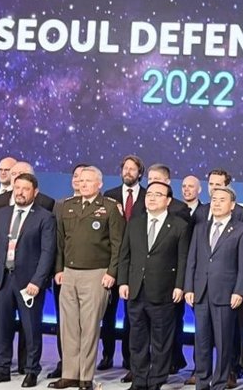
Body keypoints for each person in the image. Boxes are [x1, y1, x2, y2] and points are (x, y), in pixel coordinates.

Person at [49, 166, 124, 390]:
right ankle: (69, 374)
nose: (83, 184)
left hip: (97, 273)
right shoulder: (66, 206)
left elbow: (118, 244)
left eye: (88, 181)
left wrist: (112, 272)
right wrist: (58, 269)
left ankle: (85, 377)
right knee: (69, 327)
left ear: (99, 184)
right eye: (80, 180)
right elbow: (60, 241)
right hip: (69, 273)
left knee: (90, 327)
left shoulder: (110, 207)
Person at [117, 181, 191, 390]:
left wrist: (180, 286)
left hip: (164, 291)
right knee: (137, 340)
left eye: (158, 194)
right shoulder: (135, 223)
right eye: (149, 194)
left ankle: (156, 380)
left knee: (161, 341)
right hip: (135, 290)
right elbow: (125, 255)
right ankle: (139, 380)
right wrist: (123, 281)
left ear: (168, 201)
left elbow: (183, 259)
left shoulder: (179, 226)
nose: (151, 198)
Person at [184, 187, 243, 390]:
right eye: (214, 199)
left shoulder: (241, 230)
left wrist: (239, 291)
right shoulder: (200, 228)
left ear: (232, 205)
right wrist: (189, 287)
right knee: (201, 342)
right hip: (201, 293)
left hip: (226, 294)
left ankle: (220, 383)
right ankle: (202, 383)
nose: (217, 203)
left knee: (223, 344)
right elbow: (192, 260)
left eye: (222, 200)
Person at [0, 174, 56, 387]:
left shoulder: (45, 217)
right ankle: (2, 368)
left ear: (35, 192)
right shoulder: (0, 214)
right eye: (17, 188)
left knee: (31, 329)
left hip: (29, 283)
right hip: (2, 280)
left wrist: (37, 281)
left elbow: (48, 252)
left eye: (25, 189)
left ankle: (31, 370)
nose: (20, 192)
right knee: (1, 327)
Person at [100, 154, 146, 374]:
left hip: (136, 264)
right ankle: (107, 355)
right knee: (108, 313)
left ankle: (129, 358)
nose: (128, 172)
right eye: (125, 168)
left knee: (132, 316)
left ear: (140, 173)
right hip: (112, 261)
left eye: (132, 169)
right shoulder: (109, 196)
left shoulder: (147, 197)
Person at [47, 162, 89, 380]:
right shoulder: (60, 204)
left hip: (89, 274)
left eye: (83, 177)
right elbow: (56, 241)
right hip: (63, 273)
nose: (78, 180)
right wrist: (57, 269)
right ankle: (66, 364)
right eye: (75, 176)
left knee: (86, 322)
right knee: (64, 321)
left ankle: (84, 366)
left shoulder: (102, 206)